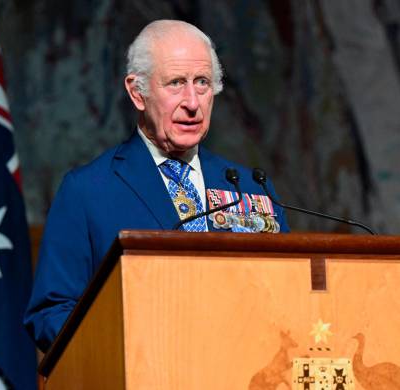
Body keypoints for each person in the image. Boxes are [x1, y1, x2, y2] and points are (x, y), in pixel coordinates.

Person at [24, 20, 290, 352]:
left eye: (202, 83)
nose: (192, 102)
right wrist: (135, 342)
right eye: (176, 83)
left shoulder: (250, 188)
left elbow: (286, 299)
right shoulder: (87, 190)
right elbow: (51, 314)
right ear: (138, 93)